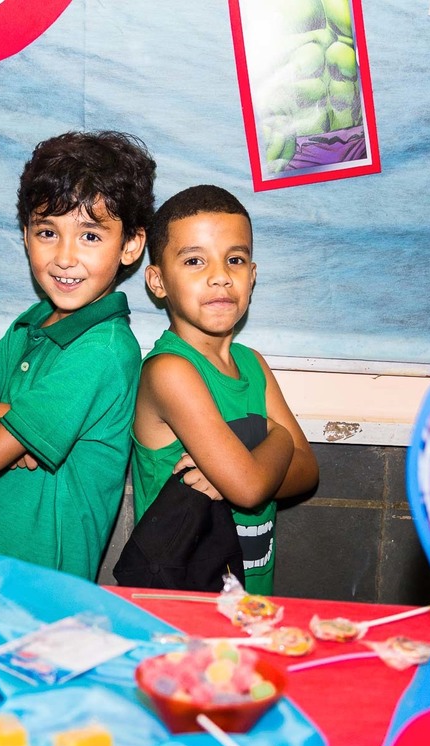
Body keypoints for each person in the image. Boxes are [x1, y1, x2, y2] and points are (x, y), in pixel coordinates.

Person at [0, 130, 156, 581]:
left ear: (131, 245)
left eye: (90, 235)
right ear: (26, 235)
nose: (65, 258)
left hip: (40, 588)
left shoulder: (104, 351)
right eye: (48, 232)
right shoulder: (31, 323)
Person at [131, 184, 319, 595]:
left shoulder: (252, 364)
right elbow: (248, 489)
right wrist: (279, 439)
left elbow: (307, 471)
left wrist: (236, 476)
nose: (220, 276)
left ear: (252, 276)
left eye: (235, 260)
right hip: (183, 601)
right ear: (158, 281)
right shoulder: (170, 371)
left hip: (250, 595)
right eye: (194, 261)